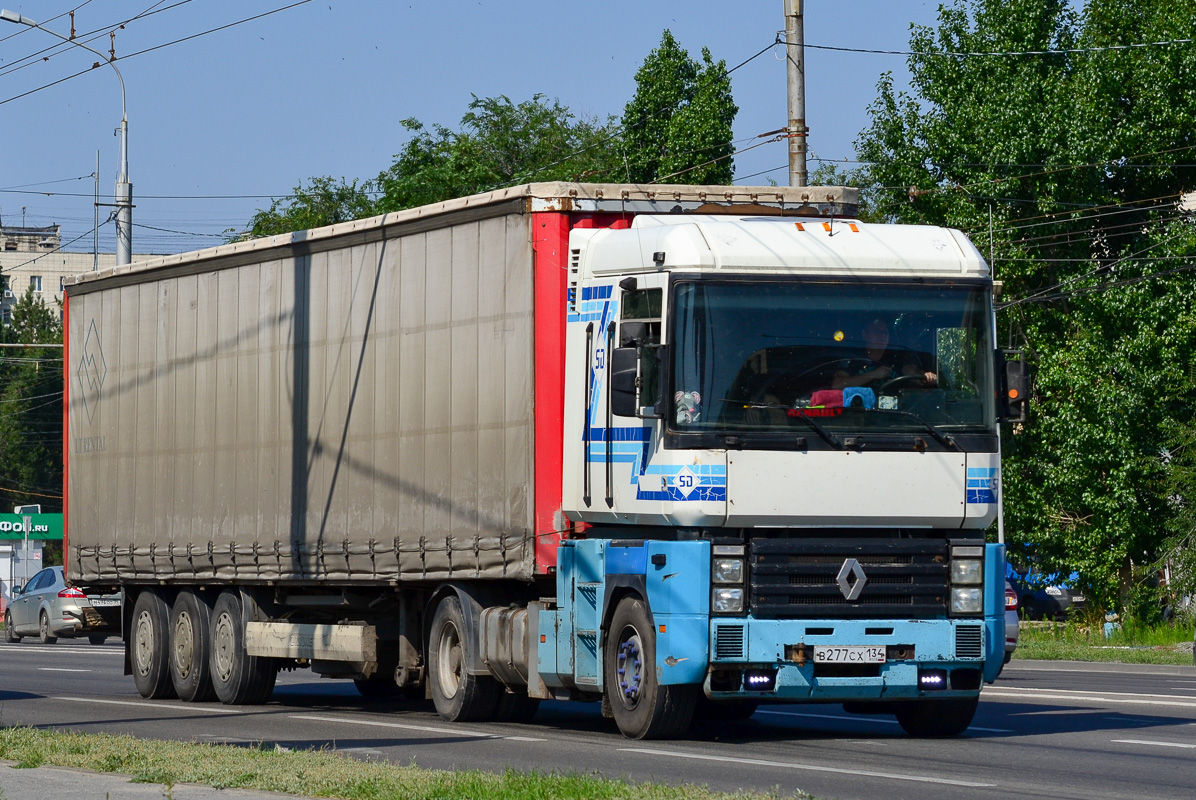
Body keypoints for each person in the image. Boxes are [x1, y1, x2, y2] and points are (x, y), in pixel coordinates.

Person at [832, 317, 937, 391]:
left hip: (896, 417)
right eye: (877, 331)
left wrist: (925, 376)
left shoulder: (896, 358)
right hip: (857, 415)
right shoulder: (853, 358)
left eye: (885, 332)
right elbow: (837, 385)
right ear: (865, 335)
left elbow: (912, 372)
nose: (882, 335)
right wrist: (872, 375)